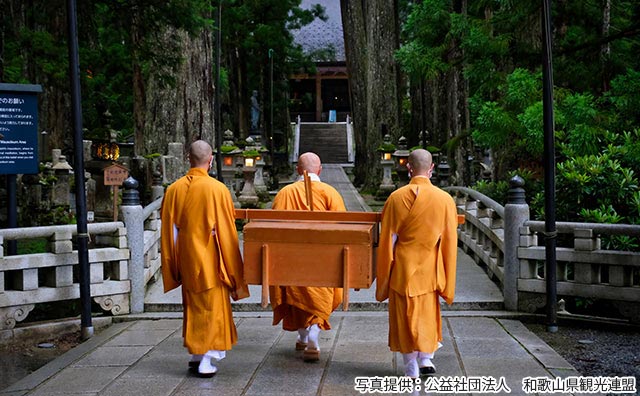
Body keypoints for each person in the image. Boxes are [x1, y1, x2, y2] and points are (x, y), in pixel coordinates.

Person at [160, 140, 249, 378]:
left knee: (193, 306)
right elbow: (227, 233)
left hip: (186, 257)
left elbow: (170, 231)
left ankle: (196, 353)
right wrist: (234, 269)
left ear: (189, 158)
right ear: (210, 161)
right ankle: (206, 360)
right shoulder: (217, 189)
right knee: (211, 309)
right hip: (211, 258)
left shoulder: (174, 189)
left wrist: (174, 262)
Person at [375, 149, 458, 378]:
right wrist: (448, 278)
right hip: (429, 268)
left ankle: (410, 362)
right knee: (427, 314)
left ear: (408, 167)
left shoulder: (396, 198)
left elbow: (388, 239)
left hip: (402, 266)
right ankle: (426, 359)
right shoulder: (444, 200)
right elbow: (449, 242)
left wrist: (384, 273)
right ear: (431, 169)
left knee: (404, 315)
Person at [269, 152, 346, 362]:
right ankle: (313, 331)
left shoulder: (285, 193)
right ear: (319, 170)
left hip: (291, 262)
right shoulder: (330, 193)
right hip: (323, 262)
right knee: (319, 292)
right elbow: (343, 230)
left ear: (298, 170)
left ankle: (304, 334)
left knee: (296, 293)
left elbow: (274, 230)